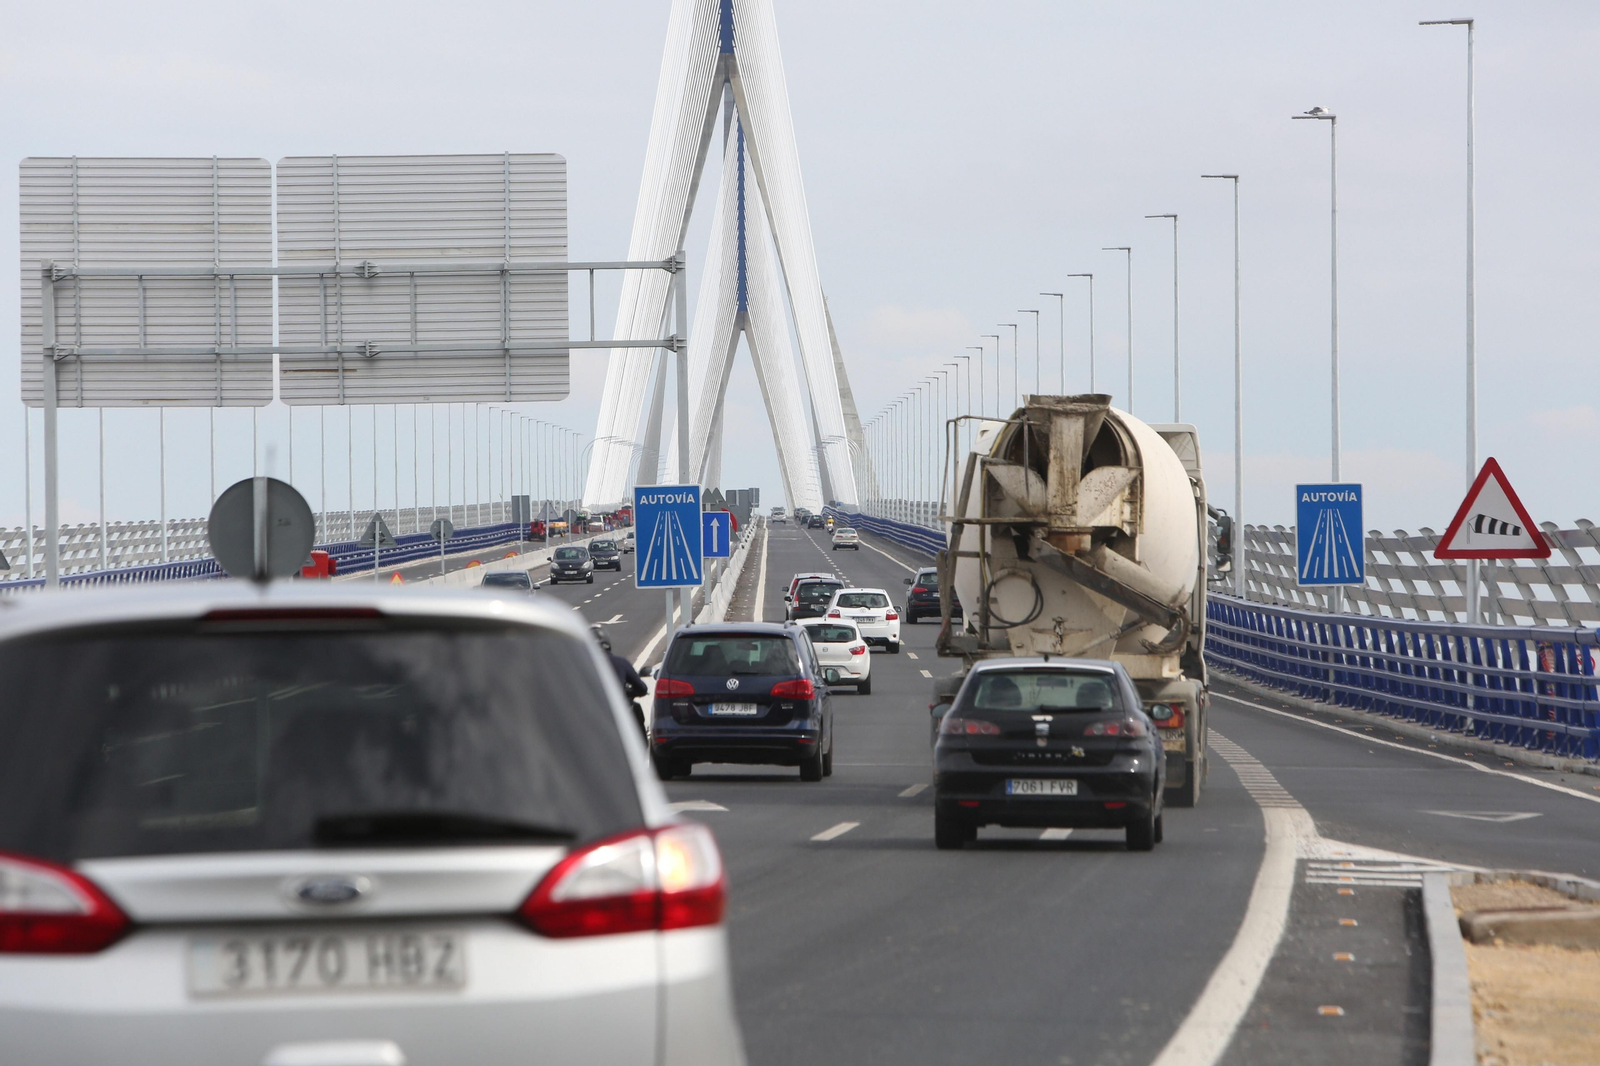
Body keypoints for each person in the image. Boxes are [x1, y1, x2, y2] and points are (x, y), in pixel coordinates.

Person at [594, 625, 649, 739]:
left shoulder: (580, 664)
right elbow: (642, 688)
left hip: (593, 711)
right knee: (636, 709)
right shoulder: (620, 662)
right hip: (618, 710)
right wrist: (629, 692)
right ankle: (640, 751)